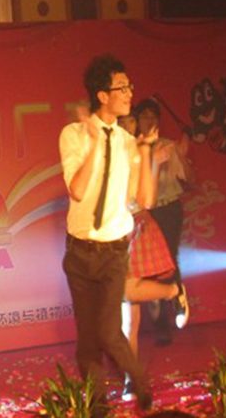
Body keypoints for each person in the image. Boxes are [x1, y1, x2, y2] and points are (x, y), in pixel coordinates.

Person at [58, 55, 157, 416]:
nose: (130, 93)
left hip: (114, 252)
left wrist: (145, 154)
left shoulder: (129, 143)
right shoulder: (73, 134)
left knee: (108, 331)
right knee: (87, 341)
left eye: (130, 86)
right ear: (102, 95)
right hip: (80, 251)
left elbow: (145, 199)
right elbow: (78, 190)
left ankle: (141, 384)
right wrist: (95, 142)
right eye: (122, 87)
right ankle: (98, 408)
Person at [118, 113, 189, 400]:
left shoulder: (140, 150)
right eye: (121, 123)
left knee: (127, 298)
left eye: (129, 122)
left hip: (136, 228)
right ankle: (131, 378)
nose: (126, 127)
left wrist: (154, 161)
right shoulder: (105, 151)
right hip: (112, 234)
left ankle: (172, 291)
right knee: (128, 319)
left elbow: (146, 197)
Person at [135, 98, 193, 344]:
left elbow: (188, 180)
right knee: (146, 267)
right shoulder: (130, 148)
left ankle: (176, 300)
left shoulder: (167, 146)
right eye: (145, 116)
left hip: (168, 208)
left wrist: (183, 156)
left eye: (154, 116)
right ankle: (158, 319)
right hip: (142, 213)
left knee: (168, 259)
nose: (150, 121)